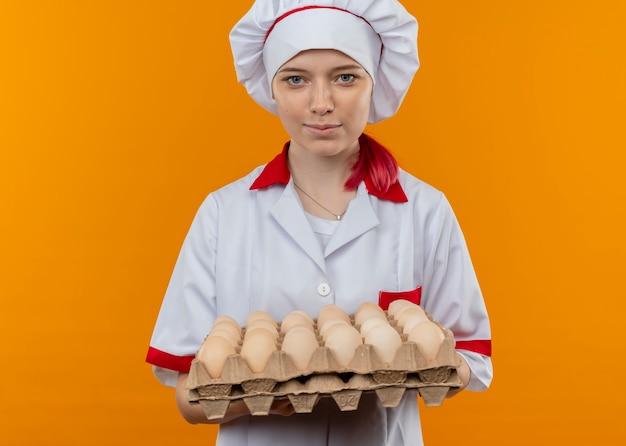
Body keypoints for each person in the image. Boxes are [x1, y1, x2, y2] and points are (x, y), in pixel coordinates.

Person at [146, 0, 493, 444]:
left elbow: (472, 357)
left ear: (375, 84)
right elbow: (188, 398)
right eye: (296, 80)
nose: (322, 103)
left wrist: (432, 359)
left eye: (345, 77)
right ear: (271, 88)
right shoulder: (224, 214)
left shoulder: (424, 210)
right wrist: (273, 387)